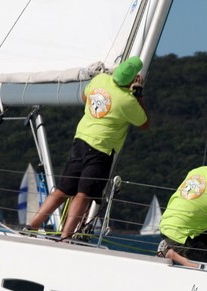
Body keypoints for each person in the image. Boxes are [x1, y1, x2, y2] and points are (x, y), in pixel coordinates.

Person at [27, 56, 149, 240]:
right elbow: (144, 123)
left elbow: (85, 97)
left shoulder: (99, 80)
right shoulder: (127, 101)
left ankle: (33, 225)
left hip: (81, 140)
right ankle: (66, 235)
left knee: (63, 189)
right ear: (133, 79)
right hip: (101, 148)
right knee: (83, 194)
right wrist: (138, 93)